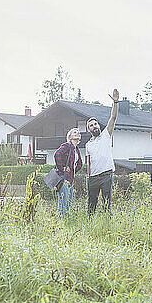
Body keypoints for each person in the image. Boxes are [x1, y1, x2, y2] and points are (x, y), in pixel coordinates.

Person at [85, 88, 119, 216]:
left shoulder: (106, 135)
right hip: (93, 178)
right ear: (89, 129)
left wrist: (115, 102)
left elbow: (113, 117)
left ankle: (106, 226)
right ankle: (89, 226)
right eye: (92, 125)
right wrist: (88, 178)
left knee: (106, 204)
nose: (95, 126)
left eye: (96, 124)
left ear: (99, 125)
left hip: (106, 176)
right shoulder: (88, 145)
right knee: (91, 205)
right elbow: (88, 163)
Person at [53, 127, 83, 218]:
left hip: (70, 178)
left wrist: (73, 171)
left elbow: (80, 163)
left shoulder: (76, 149)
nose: (77, 133)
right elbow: (57, 154)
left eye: (78, 132)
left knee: (69, 201)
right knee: (63, 202)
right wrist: (63, 168)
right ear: (70, 137)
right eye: (75, 132)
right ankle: (61, 222)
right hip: (64, 178)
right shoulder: (67, 145)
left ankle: (66, 221)